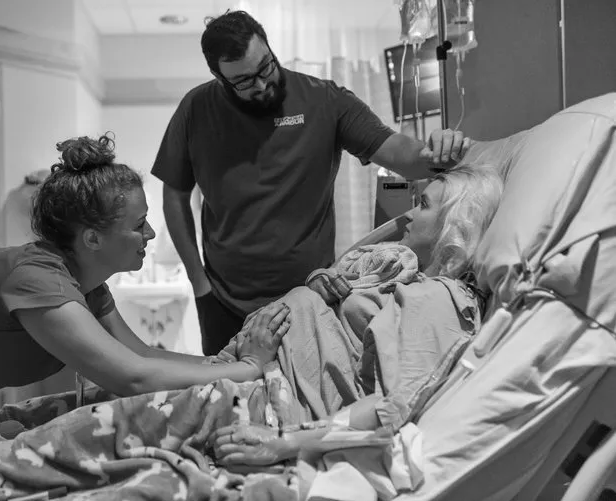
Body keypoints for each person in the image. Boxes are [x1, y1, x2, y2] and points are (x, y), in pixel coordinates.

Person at [0, 133, 291, 442]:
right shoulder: (37, 279)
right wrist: (249, 368)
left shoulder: (85, 285)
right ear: (92, 239)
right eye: (139, 224)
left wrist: (221, 364)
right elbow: (132, 378)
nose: (149, 234)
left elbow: (141, 354)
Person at [151, 10, 475, 356]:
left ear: (270, 49)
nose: (261, 84)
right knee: (227, 388)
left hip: (309, 297)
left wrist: (432, 154)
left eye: (265, 67)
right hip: (223, 302)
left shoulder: (324, 99)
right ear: (219, 77)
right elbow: (175, 195)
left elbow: (396, 151)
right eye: (243, 81)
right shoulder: (196, 109)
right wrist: (198, 283)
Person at [209, 163, 504, 468]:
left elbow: (389, 405)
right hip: (251, 372)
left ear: (456, 226)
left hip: (270, 401)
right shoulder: (407, 276)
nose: (409, 214)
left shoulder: (441, 300)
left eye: (423, 205)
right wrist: (321, 284)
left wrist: (285, 441)